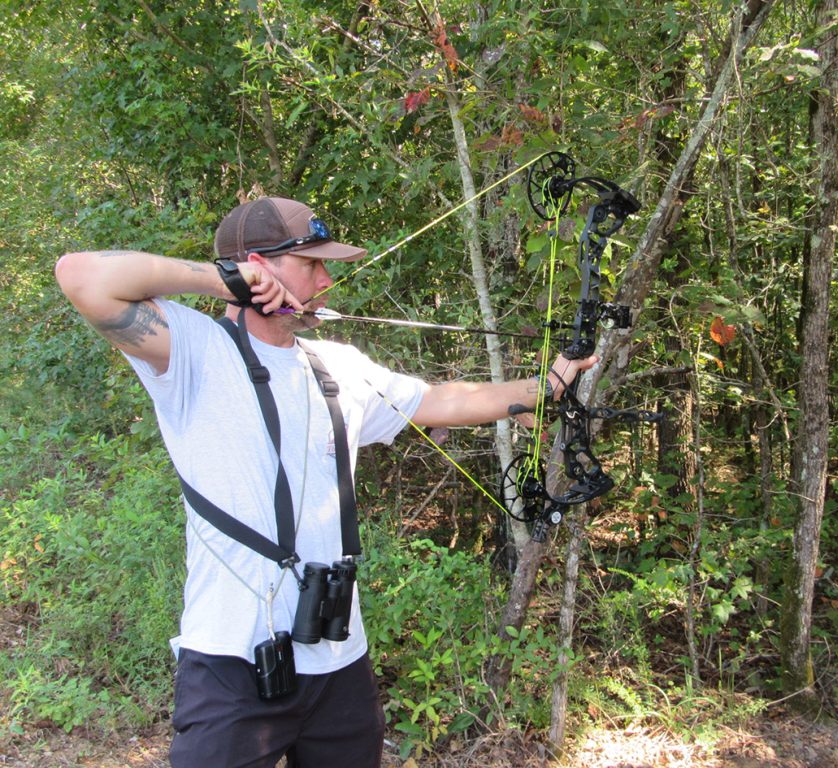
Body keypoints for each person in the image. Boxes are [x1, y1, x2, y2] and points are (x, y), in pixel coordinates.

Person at [55, 196, 596, 768]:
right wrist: (221, 281)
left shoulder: (337, 365)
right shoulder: (193, 351)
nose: (327, 279)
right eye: (311, 264)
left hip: (339, 659)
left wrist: (548, 385)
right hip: (232, 662)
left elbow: (441, 400)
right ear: (258, 266)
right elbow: (82, 275)